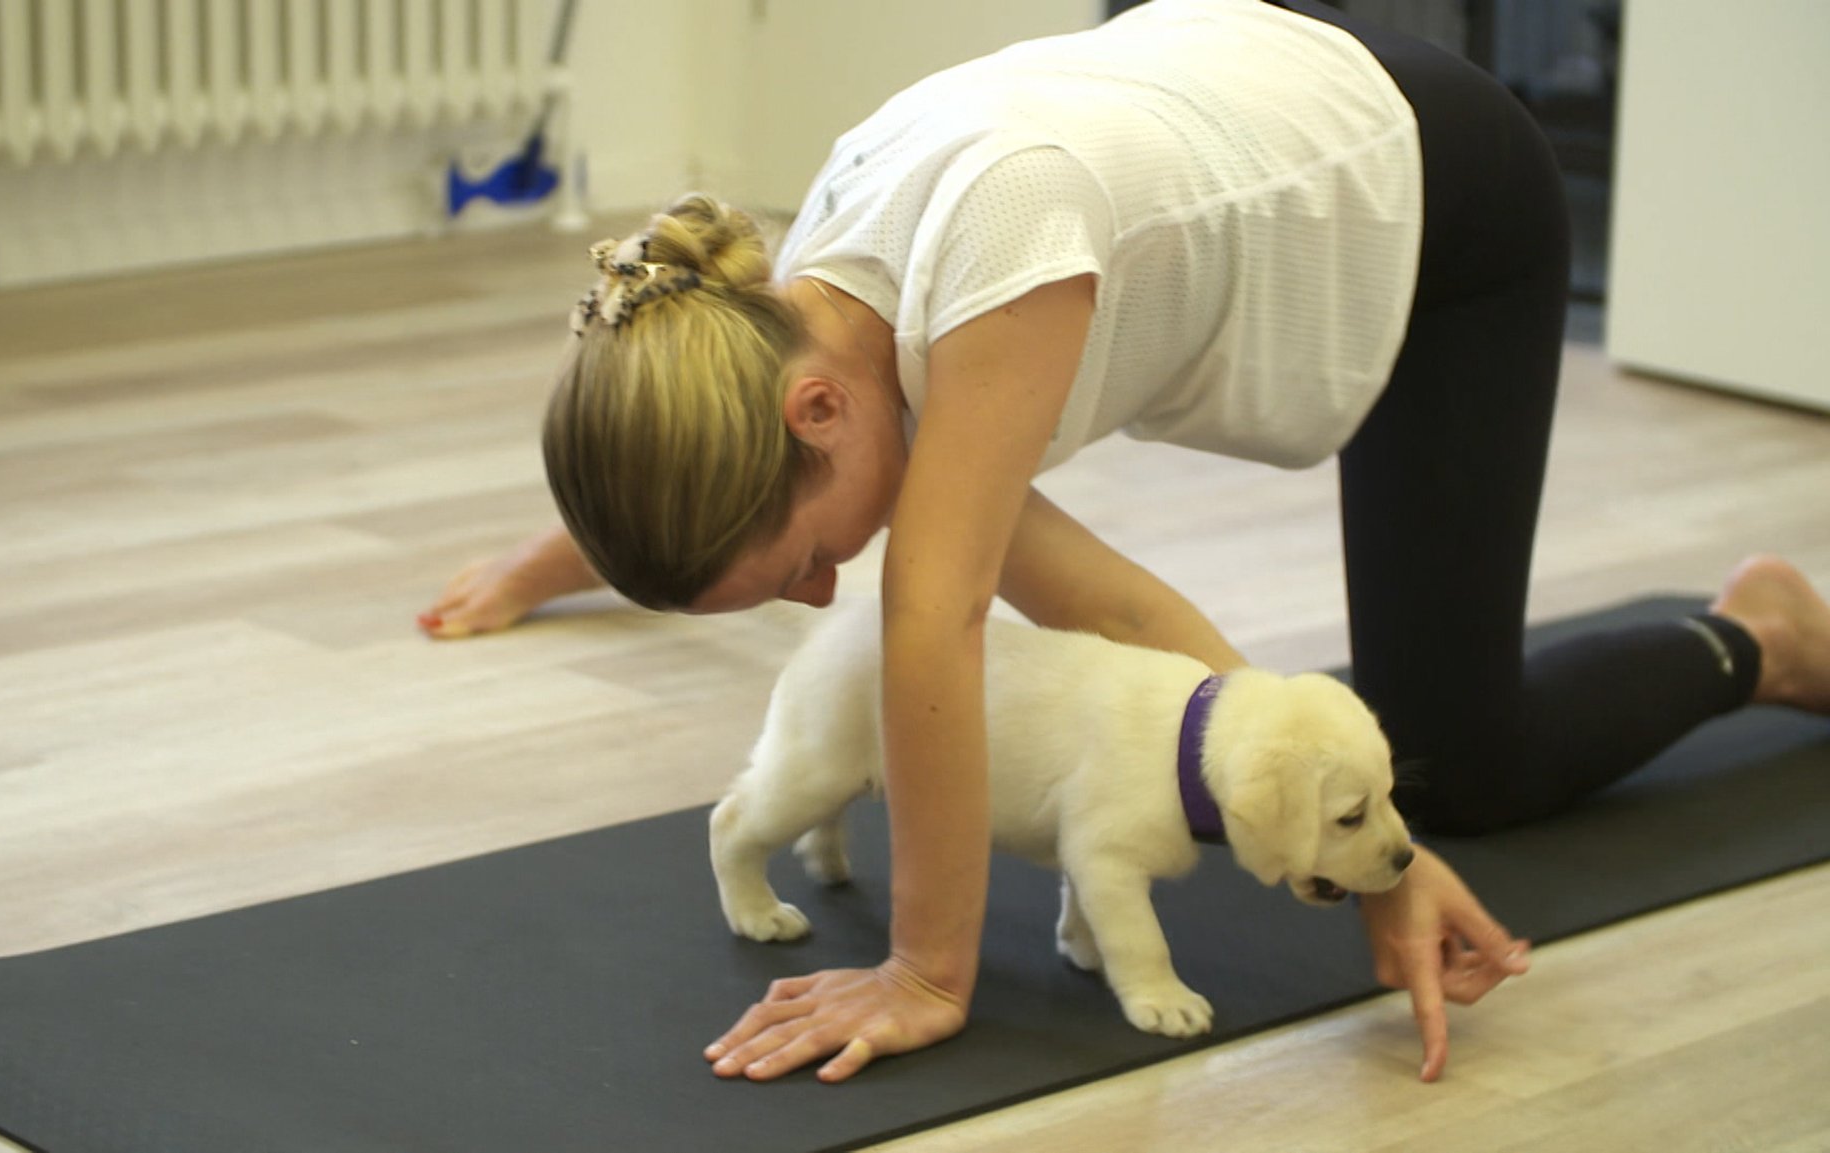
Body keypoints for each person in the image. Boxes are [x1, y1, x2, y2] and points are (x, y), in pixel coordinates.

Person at [418, 0, 1830, 1084]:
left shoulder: (997, 264)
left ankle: (1764, 639)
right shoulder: (774, 333)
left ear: (820, 409)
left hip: (1438, 199)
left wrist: (926, 970)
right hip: (1270, 79)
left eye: (796, 562)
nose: (823, 588)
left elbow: (937, 621)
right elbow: (1112, 604)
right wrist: (580, 549)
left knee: (1462, 766)